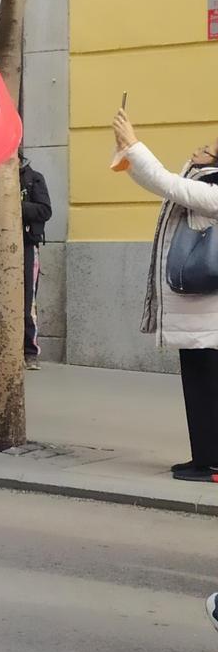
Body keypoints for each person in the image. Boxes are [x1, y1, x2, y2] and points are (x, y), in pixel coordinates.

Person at [111, 111, 218, 483]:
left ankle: (213, 463)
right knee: (199, 386)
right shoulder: (203, 179)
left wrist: (135, 142)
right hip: (199, 314)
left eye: (207, 147)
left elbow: (169, 184)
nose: (199, 149)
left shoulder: (214, 192)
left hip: (210, 313)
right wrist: (127, 148)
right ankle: (203, 457)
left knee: (209, 387)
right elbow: (160, 183)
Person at [0, 152, 52, 369]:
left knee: (27, 298)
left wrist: (13, 206)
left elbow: (45, 210)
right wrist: (0, 203)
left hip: (26, 244)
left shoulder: (34, 178)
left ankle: (29, 352)